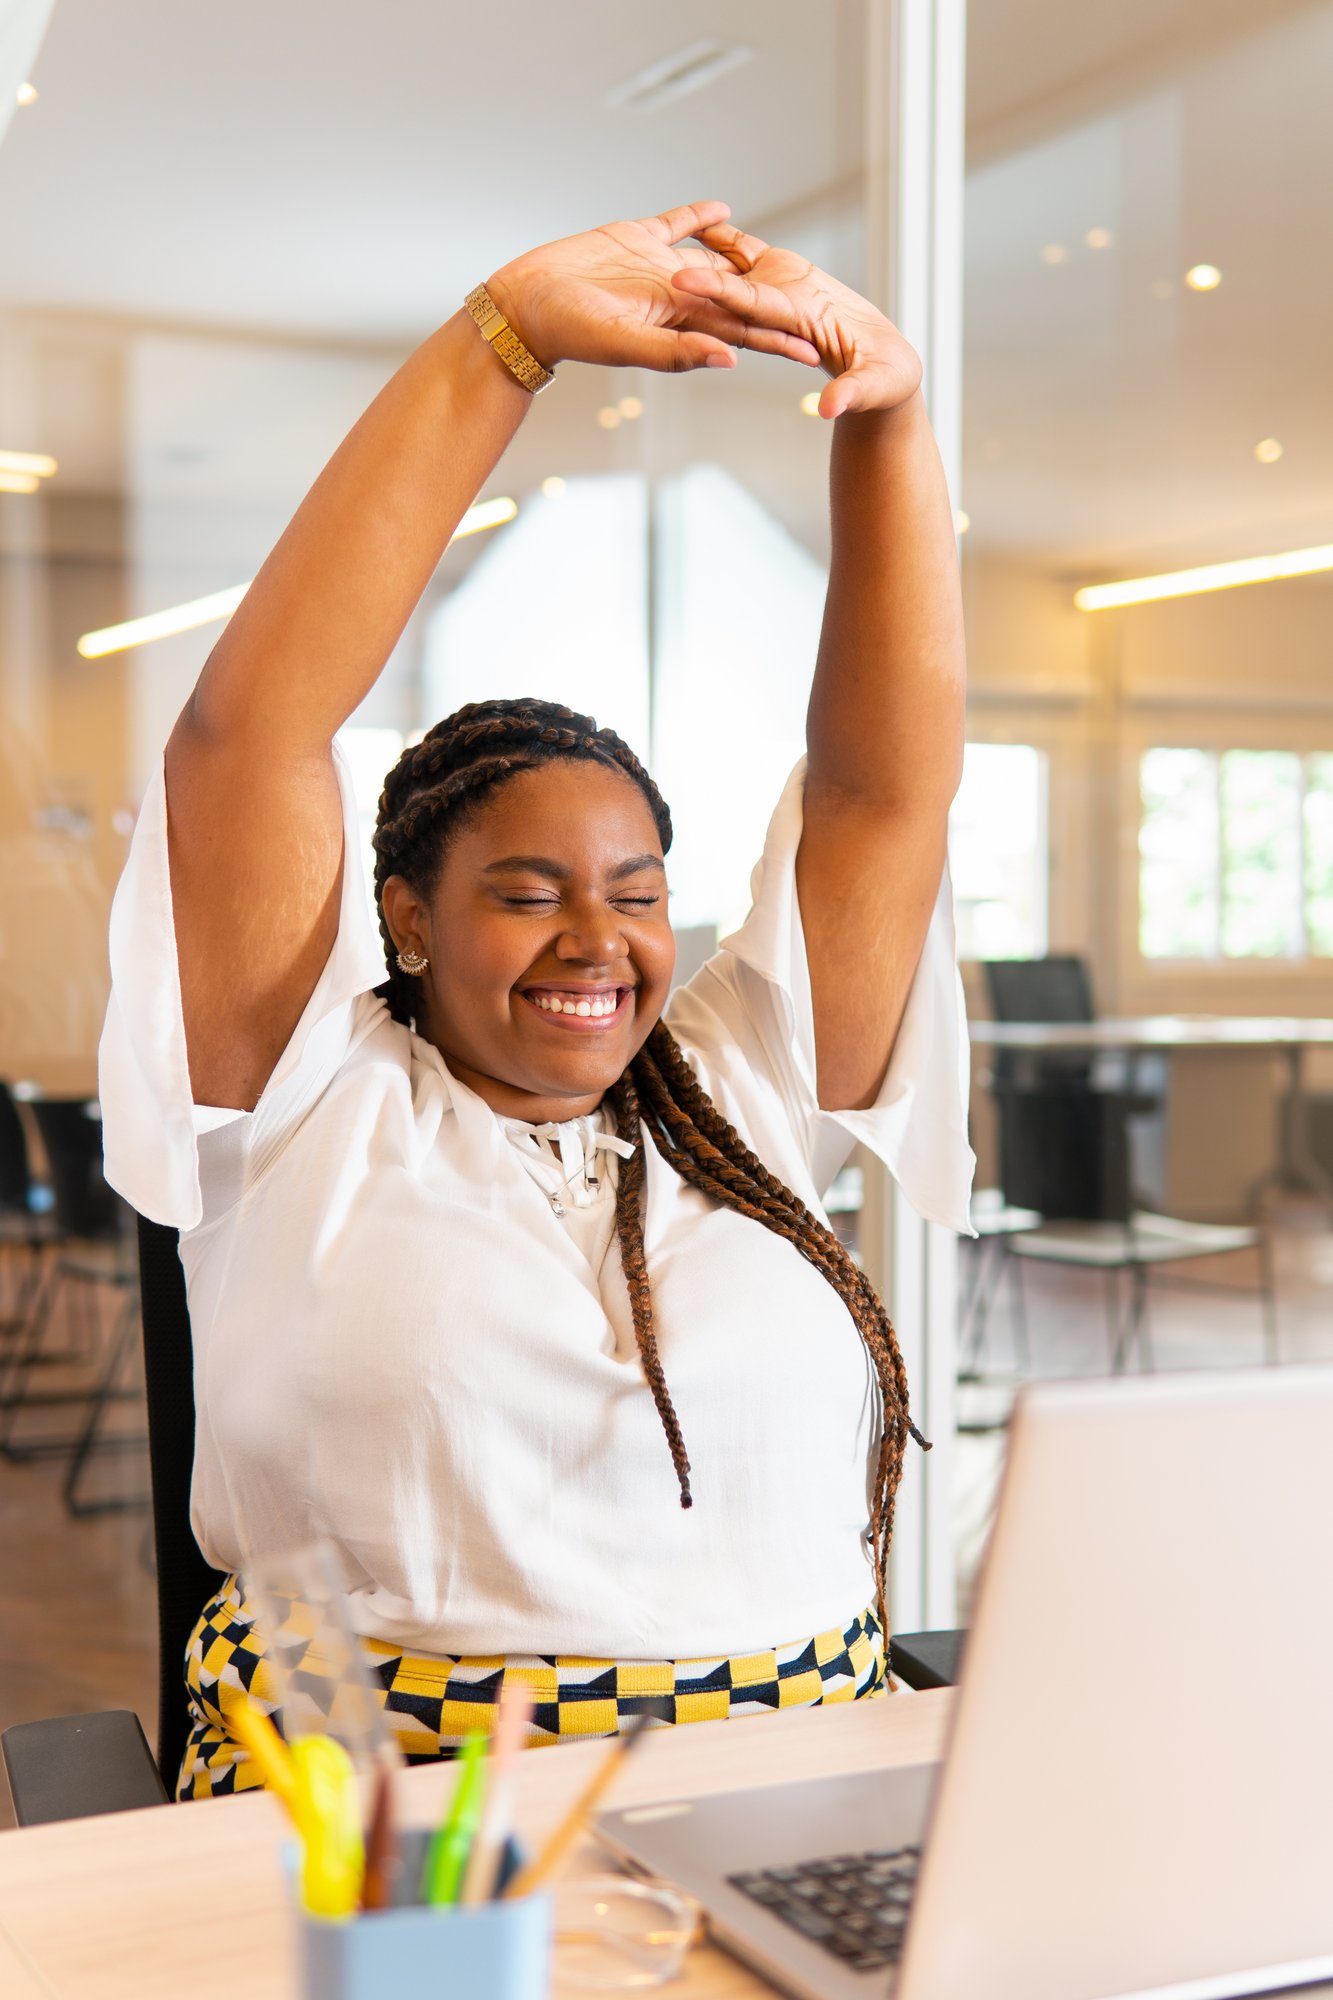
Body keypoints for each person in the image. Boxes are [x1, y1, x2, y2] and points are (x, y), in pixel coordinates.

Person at [99, 200, 974, 1798]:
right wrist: (502, 342)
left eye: (636, 892)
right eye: (527, 894)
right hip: (397, 1818)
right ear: (405, 917)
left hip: (797, 1787)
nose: (599, 940)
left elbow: (882, 799)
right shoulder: (306, 1100)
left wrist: (890, 422)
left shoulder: (743, 1088)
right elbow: (245, 741)